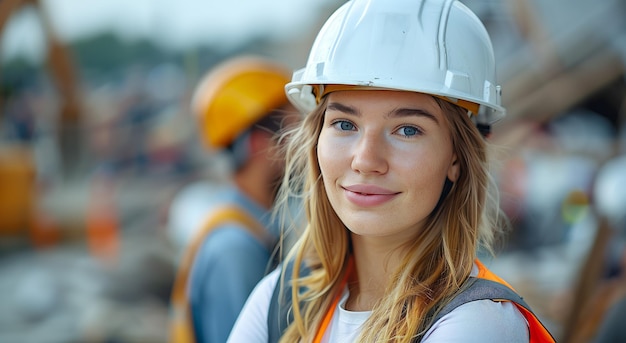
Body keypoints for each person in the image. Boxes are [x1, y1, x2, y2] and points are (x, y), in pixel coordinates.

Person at [228, 0, 556, 342]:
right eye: (344, 123)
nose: (366, 160)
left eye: (408, 130)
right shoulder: (281, 302)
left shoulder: (480, 322)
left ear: (456, 158)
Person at [167, 55, 297, 343]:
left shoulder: (247, 227)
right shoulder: (235, 250)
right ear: (258, 144)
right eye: (293, 130)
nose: (306, 145)